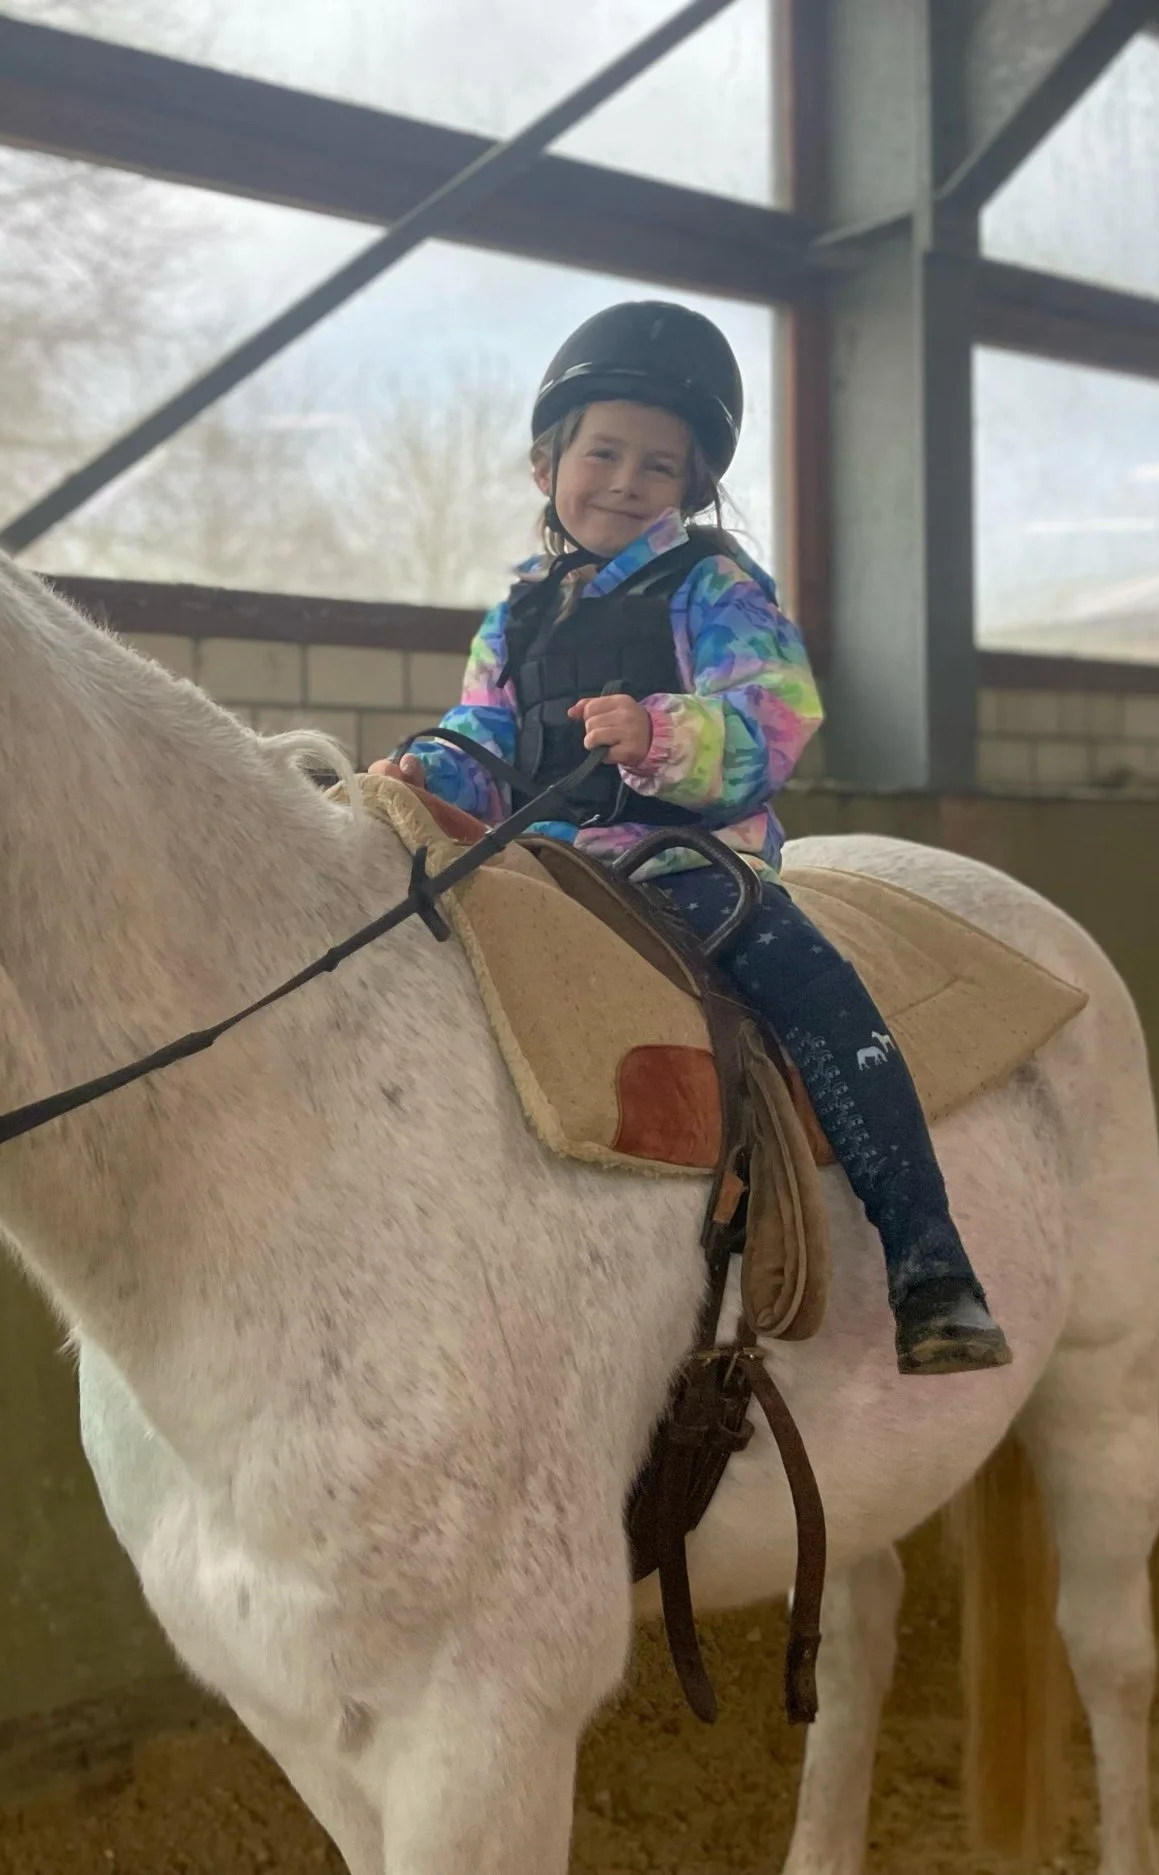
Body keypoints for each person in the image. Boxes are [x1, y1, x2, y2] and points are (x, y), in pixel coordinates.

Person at [370, 301, 1010, 1375]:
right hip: (540, 866)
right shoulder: (518, 611)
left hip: (679, 861)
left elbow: (776, 711)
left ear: (692, 487)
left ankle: (929, 1260)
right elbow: (484, 730)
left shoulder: (714, 588)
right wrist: (421, 771)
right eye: (603, 452)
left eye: (657, 466)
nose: (624, 480)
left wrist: (658, 731)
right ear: (546, 465)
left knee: (809, 984)